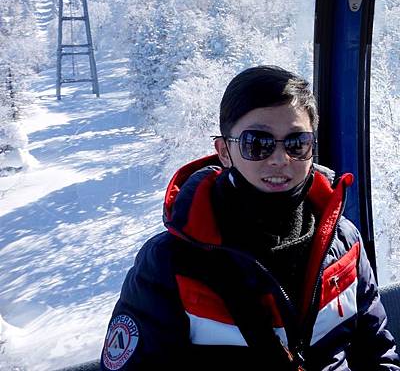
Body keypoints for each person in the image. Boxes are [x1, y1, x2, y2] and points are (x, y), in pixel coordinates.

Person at [100, 65, 399, 370]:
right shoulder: (169, 264)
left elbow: (376, 349)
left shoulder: (344, 242)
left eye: (297, 143)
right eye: (258, 143)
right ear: (224, 152)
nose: (280, 159)